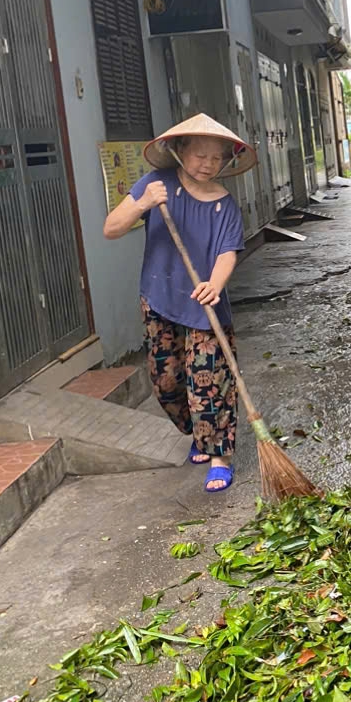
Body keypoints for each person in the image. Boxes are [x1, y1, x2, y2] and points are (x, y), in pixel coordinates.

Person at [103, 113, 257, 491]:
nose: (208, 164)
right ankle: (197, 434)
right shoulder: (156, 184)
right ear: (179, 151)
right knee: (167, 382)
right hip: (160, 298)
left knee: (210, 382)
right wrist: (142, 204)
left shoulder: (226, 206)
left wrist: (214, 284)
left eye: (216, 157)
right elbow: (111, 228)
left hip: (206, 306)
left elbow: (227, 253)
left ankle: (219, 456)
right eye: (200, 155)